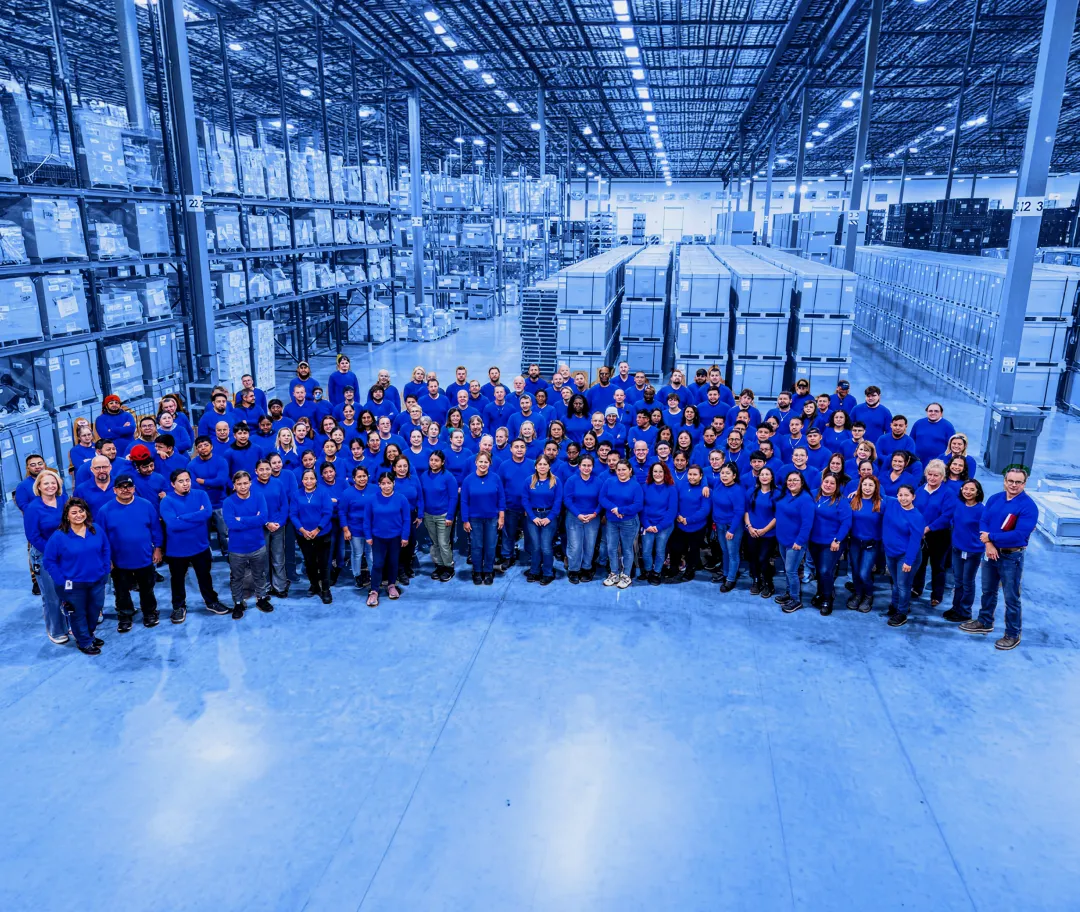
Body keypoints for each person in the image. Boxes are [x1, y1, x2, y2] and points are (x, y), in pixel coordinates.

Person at [960, 466, 1038, 649]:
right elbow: (984, 521)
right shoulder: (995, 499)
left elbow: (1020, 535)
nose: (1013, 485)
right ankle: (985, 621)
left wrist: (991, 538)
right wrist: (988, 544)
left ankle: (1012, 634)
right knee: (988, 590)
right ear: (1004, 481)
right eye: (1010, 481)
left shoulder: (1028, 506)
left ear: (1024, 484)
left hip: (1011, 557)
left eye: (1018, 482)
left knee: (1011, 597)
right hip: (990, 553)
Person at [42, 498, 111, 655]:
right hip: (73, 585)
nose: (79, 515)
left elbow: (106, 549)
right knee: (78, 613)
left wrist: (105, 569)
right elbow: (49, 561)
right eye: (74, 512)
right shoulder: (59, 537)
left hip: (97, 580)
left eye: (81, 511)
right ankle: (84, 641)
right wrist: (61, 581)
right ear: (67, 516)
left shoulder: (96, 529)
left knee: (94, 610)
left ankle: (89, 635)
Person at [160, 469, 230, 622]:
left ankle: (211, 602)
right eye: (181, 481)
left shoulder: (201, 495)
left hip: (200, 546)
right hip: (177, 550)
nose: (185, 484)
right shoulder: (167, 501)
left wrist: (183, 517)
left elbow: (207, 513)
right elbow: (173, 524)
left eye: (187, 480)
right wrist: (196, 516)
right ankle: (178, 607)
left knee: (205, 577)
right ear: (173, 484)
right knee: (177, 580)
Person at [97, 474, 163, 632]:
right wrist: (107, 559)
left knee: (147, 588)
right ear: (114, 490)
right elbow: (101, 537)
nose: (125, 490)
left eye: (129, 486)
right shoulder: (105, 511)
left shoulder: (146, 505)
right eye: (121, 487)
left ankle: (149, 613)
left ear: (134, 488)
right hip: (118, 560)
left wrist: (158, 549)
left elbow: (156, 529)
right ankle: (125, 616)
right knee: (121, 591)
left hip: (144, 556)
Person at [23, 468, 69, 643]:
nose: (50, 486)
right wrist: (52, 553)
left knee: (69, 591)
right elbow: (33, 536)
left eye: (53, 482)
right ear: (39, 487)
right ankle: (56, 630)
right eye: (46, 483)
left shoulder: (64, 500)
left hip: (66, 553)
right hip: (44, 556)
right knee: (52, 595)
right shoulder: (33, 508)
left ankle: (69, 624)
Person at [223, 470, 273, 618]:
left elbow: (263, 518)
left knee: (260, 575)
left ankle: (261, 598)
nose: (243, 486)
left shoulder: (259, 497)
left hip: (257, 545)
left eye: (245, 483)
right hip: (237, 549)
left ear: (250, 483)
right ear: (234, 486)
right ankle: (238, 603)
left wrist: (241, 519)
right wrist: (252, 519)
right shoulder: (228, 502)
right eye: (239, 484)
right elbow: (231, 524)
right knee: (237, 578)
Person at [807, 473, 852, 615]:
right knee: (819, 570)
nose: (828, 485)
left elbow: (846, 523)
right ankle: (820, 593)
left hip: (832, 543)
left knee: (825, 570)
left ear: (837, 486)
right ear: (821, 482)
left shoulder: (841, 501)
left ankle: (827, 599)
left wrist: (837, 540)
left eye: (832, 483)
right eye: (826, 482)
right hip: (814, 541)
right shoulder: (813, 495)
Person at [881, 484, 925, 628]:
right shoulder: (892, 503)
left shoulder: (917, 517)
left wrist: (909, 561)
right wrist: (858, 489)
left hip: (906, 557)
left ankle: (902, 612)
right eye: (900, 495)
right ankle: (895, 605)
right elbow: (877, 491)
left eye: (907, 495)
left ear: (913, 497)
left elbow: (915, 541)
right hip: (891, 553)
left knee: (903, 585)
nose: (903, 498)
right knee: (895, 582)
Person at [364, 471, 411, 604]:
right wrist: (368, 536)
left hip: (395, 538)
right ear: (379, 485)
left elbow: (406, 519)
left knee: (393, 563)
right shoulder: (372, 499)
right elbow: (367, 520)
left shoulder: (401, 499)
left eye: (389, 483)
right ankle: (374, 590)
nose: (386, 486)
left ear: (393, 483)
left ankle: (391, 585)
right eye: (383, 484)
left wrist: (405, 536)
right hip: (378, 538)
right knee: (378, 564)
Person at [911, 459, 953, 607]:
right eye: (930, 474)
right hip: (920, 533)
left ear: (942, 477)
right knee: (920, 563)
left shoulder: (948, 493)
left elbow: (947, 516)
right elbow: (914, 510)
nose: (932, 478)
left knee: (937, 566)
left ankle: (937, 595)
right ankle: (917, 588)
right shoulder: (919, 490)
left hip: (939, 535)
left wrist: (928, 528)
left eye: (936, 475)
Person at [945, 479, 985, 625]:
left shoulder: (981, 510)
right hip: (957, 548)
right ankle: (956, 607)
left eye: (972, 490)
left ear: (978, 492)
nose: (968, 492)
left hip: (972, 551)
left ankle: (965, 612)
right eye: (965, 489)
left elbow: (985, 530)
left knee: (967, 582)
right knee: (958, 581)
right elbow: (953, 521)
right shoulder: (959, 504)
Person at [773, 471, 814, 612]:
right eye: (789, 480)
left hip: (795, 543)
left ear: (802, 482)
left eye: (795, 480)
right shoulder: (785, 495)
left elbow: (807, 524)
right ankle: (789, 593)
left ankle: (796, 599)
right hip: (783, 539)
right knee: (787, 569)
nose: (792, 483)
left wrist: (800, 541)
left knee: (791, 571)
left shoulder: (806, 499)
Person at [599, 460, 643, 588]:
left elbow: (638, 505)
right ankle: (614, 573)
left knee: (627, 549)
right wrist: (614, 508)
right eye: (619, 469)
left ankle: (626, 575)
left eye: (624, 469)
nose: (621, 472)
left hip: (629, 522)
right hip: (612, 521)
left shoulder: (635, 486)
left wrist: (621, 510)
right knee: (611, 548)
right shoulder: (609, 482)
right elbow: (602, 498)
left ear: (630, 470)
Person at [562, 454, 603, 584]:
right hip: (574, 517)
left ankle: (586, 568)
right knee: (575, 545)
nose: (586, 468)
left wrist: (595, 514)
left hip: (592, 518)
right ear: (579, 466)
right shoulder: (571, 480)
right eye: (584, 465)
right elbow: (567, 499)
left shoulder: (598, 481)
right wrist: (578, 514)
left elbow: (601, 500)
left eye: (589, 465)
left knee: (589, 544)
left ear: (593, 467)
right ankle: (573, 569)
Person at [522, 455, 562, 585]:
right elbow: (525, 500)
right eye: (540, 464)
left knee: (546, 546)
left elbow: (558, 501)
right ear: (535, 466)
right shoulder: (529, 480)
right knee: (535, 546)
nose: (542, 467)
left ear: (549, 466)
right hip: (533, 516)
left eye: (545, 464)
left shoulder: (555, 481)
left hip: (549, 516)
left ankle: (548, 572)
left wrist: (549, 518)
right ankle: (534, 570)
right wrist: (532, 517)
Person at [188, 436, 230, 557]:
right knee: (203, 533)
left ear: (211, 446)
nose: (203, 448)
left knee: (224, 534)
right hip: (202, 505)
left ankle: (228, 555)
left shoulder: (221, 461)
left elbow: (221, 481)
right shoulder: (191, 465)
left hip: (220, 503)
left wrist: (204, 482)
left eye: (205, 445)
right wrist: (212, 482)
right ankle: (206, 557)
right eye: (200, 446)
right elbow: (195, 486)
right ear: (196, 449)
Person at [254, 458, 290, 598]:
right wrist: (266, 523)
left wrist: (279, 523)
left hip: (277, 526)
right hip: (260, 527)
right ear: (256, 471)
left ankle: (280, 587)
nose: (265, 472)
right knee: (263, 558)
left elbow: (284, 505)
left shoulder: (278, 483)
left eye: (267, 469)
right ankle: (265, 587)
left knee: (278, 557)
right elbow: (253, 509)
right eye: (261, 469)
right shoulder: (252, 486)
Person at [847, 476, 884, 612]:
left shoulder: (881, 503)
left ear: (876, 488)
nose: (867, 488)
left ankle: (868, 595)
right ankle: (858, 594)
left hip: (872, 544)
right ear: (860, 486)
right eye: (865, 485)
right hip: (855, 542)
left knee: (864, 573)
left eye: (871, 485)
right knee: (855, 572)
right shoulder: (852, 500)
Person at [668, 464, 710, 582]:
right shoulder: (681, 485)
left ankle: (690, 570)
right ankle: (674, 568)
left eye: (695, 474)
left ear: (701, 476)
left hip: (697, 527)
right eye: (690, 474)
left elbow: (704, 510)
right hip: (680, 524)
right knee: (676, 548)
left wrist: (688, 519)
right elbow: (674, 502)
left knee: (693, 550)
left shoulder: (705, 490)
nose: (692, 477)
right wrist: (678, 516)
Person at [421, 450, 457, 581]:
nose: (433, 463)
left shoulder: (448, 477)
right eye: (431, 460)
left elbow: (453, 497)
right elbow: (422, 496)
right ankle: (439, 565)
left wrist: (450, 516)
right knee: (435, 543)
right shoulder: (424, 476)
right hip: (428, 515)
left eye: (436, 460)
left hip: (444, 515)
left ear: (442, 462)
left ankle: (449, 567)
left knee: (443, 543)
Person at [640, 461, 677, 586]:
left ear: (665, 473)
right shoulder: (645, 487)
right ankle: (648, 570)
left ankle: (657, 572)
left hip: (664, 525)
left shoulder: (671, 488)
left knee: (660, 550)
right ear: (651, 473)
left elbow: (671, 511)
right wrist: (647, 525)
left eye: (660, 471)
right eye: (655, 471)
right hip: (648, 524)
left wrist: (659, 526)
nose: (658, 474)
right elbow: (642, 508)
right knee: (646, 551)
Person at [744, 467, 778, 597]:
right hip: (752, 532)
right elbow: (746, 511)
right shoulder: (751, 492)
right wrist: (749, 527)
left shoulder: (777, 493)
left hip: (768, 533)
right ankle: (756, 581)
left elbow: (777, 516)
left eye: (767, 474)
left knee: (763, 558)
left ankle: (769, 583)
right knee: (753, 558)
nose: (764, 476)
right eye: (762, 474)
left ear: (772, 477)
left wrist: (764, 530)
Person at [711, 464, 746, 591]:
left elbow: (739, 512)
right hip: (719, 524)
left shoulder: (737, 490)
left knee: (733, 554)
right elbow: (704, 476)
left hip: (732, 527)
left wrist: (731, 530)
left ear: (734, 476)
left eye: (727, 473)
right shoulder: (718, 484)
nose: (724, 476)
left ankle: (731, 579)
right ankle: (725, 574)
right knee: (724, 551)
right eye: (722, 473)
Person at [391, 456, 424, 584]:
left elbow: (420, 498)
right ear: (394, 468)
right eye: (399, 466)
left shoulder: (414, 479)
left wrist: (420, 515)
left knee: (410, 544)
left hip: (411, 516)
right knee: (399, 545)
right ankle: (399, 570)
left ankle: (407, 566)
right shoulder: (391, 480)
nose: (402, 469)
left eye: (405, 466)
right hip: (395, 518)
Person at [910, 402, 956, 466]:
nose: (933, 413)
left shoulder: (948, 426)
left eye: (936, 411)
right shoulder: (918, 423)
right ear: (927, 412)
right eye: (930, 411)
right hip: (918, 462)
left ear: (941, 413)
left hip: (937, 464)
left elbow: (952, 447)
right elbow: (911, 441)